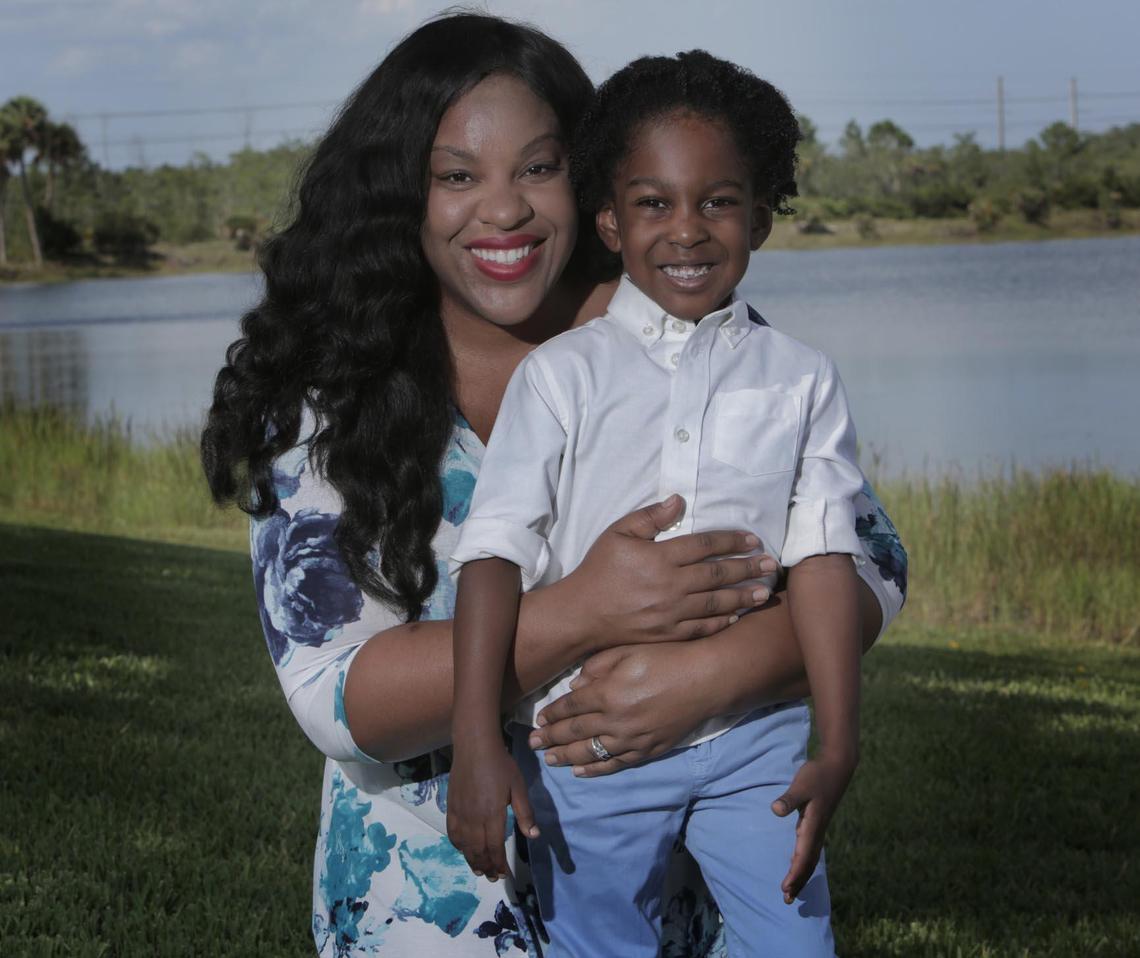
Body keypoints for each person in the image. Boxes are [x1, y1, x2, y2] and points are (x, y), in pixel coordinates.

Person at [200, 12, 907, 958]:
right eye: (457, 176)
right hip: (435, 913)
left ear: (594, 179)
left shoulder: (680, 320)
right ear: (397, 194)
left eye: (537, 168)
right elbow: (338, 695)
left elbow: (868, 559)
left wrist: (702, 676)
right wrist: (587, 610)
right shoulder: (330, 400)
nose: (504, 211)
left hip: (670, 902)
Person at [447, 51, 869, 956]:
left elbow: (830, 555)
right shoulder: (561, 377)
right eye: (653, 203)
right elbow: (492, 553)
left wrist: (836, 739)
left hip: (758, 739)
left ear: (760, 216)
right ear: (608, 219)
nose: (688, 229)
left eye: (718, 201)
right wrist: (478, 737)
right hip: (585, 746)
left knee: (797, 946)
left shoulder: (800, 379)